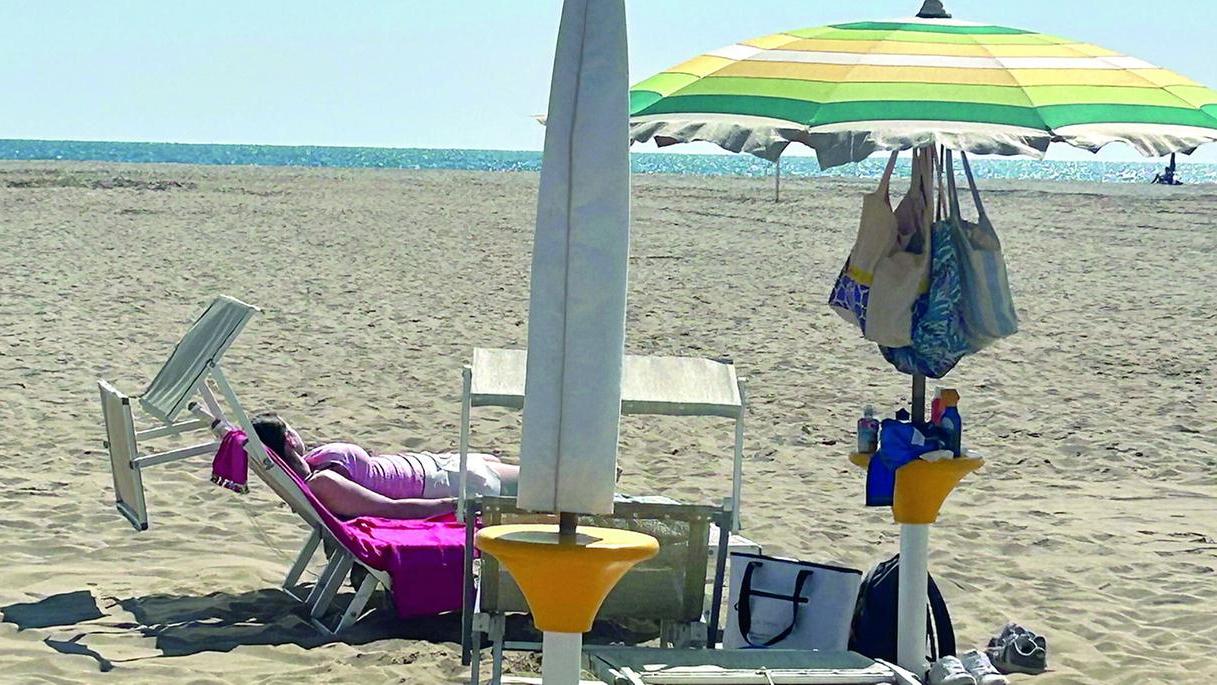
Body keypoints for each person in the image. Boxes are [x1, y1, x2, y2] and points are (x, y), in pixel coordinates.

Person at [211, 409, 518, 519]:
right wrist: (452, 505)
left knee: (511, 468)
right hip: (445, 483)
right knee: (540, 486)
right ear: (289, 439)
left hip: (437, 465)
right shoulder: (324, 482)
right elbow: (390, 509)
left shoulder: (314, 465)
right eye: (292, 429)